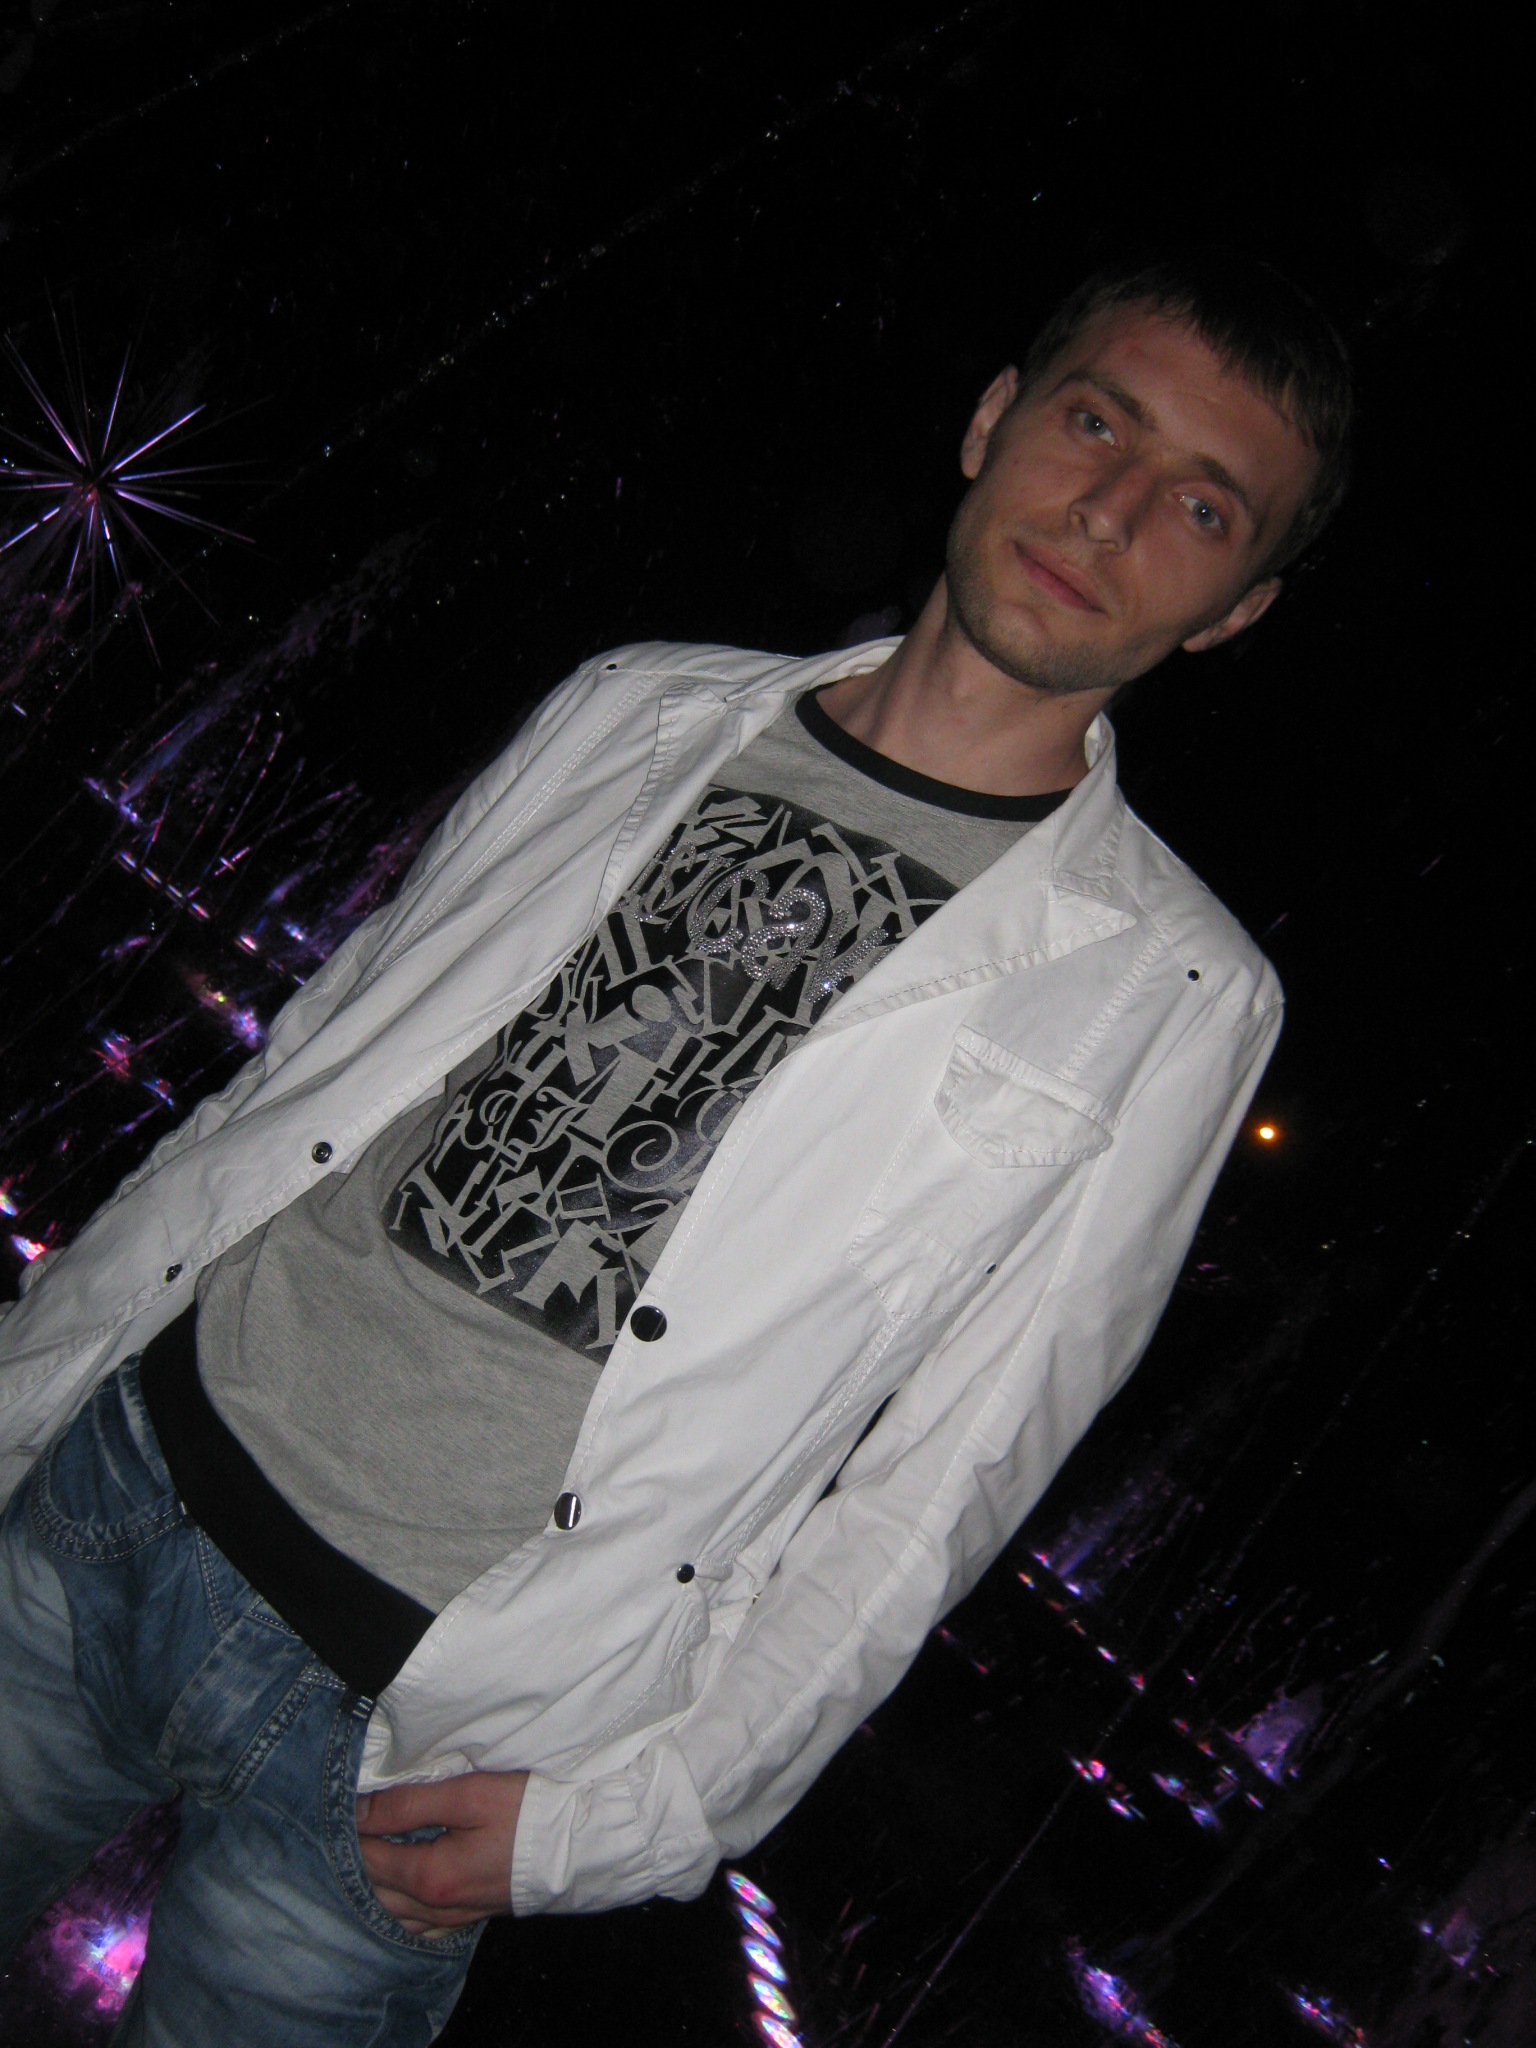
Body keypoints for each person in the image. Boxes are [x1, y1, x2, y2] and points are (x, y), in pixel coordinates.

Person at [0, 249, 1351, 2041]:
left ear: (1238, 607)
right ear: (991, 419)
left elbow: (944, 1488)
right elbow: (310, 1068)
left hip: (414, 1743)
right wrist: (40, 1374)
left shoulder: (1168, 991)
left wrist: (653, 1814)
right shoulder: (638, 702)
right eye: (1097, 422)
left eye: (1200, 504)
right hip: (113, 1491)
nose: (1110, 510)